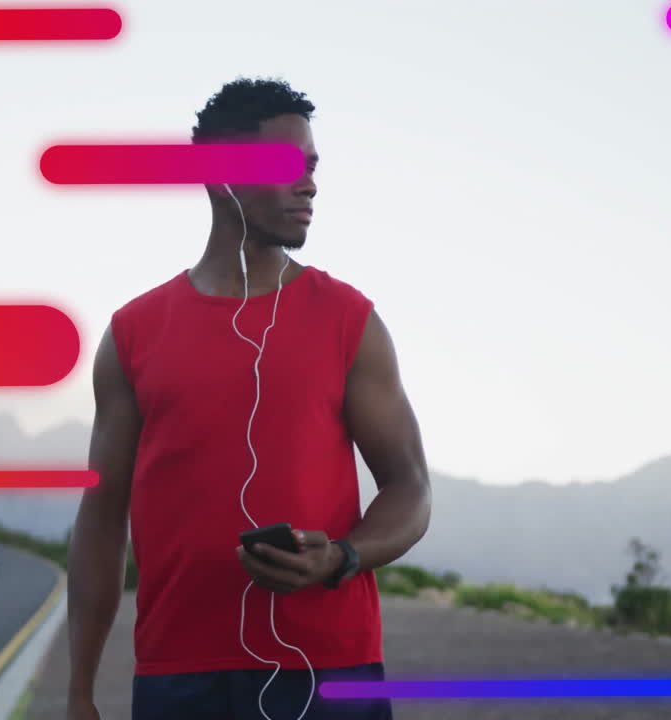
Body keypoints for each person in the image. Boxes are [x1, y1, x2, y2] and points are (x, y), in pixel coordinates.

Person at [67, 76, 431, 720]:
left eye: (313, 167)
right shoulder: (133, 334)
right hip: (179, 673)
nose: (310, 185)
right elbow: (101, 520)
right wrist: (79, 692)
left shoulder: (351, 320)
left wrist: (341, 557)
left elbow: (410, 489)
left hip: (331, 670)